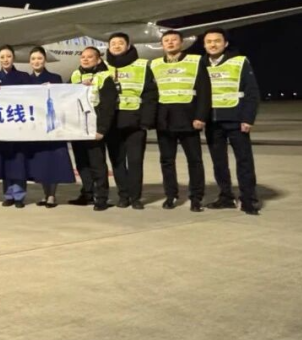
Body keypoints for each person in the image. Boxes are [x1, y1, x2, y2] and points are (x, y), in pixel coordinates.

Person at [201, 28, 261, 215]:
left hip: (236, 119)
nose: (213, 44)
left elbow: (252, 92)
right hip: (212, 121)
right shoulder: (201, 64)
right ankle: (226, 196)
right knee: (219, 163)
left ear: (225, 43)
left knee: (244, 161)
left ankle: (249, 199)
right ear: (204, 45)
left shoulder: (239, 61)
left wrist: (248, 118)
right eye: (209, 41)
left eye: (217, 41)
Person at [151, 30, 209, 212]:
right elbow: (152, 93)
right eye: (166, 40)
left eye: (174, 40)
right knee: (167, 161)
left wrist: (201, 116)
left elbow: (204, 91)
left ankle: (196, 197)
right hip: (164, 120)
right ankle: (171, 195)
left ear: (181, 43)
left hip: (188, 118)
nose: (170, 43)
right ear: (162, 45)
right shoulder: (155, 64)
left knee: (195, 160)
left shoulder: (195, 61)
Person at [104, 33, 157, 209]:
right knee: (117, 162)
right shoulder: (103, 67)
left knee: (135, 162)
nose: (116, 46)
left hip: (135, 123)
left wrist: (146, 122)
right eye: (113, 43)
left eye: (120, 43)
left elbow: (150, 95)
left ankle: (135, 197)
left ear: (128, 46)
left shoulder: (141, 66)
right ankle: (123, 196)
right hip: (112, 123)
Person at [23, 46, 73, 207]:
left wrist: (51, 89)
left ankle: (52, 195)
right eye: (33, 59)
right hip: (35, 126)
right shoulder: (26, 80)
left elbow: (63, 98)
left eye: (39, 58)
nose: (36, 61)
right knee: (41, 162)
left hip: (52, 125)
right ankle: (45, 194)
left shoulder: (55, 78)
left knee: (53, 160)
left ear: (45, 60)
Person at [72, 46, 118, 211]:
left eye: (89, 57)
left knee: (97, 164)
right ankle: (87, 193)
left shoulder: (104, 77)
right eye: (83, 57)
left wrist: (102, 129)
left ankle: (102, 197)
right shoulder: (75, 76)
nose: (85, 59)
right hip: (77, 129)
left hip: (94, 129)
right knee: (82, 163)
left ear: (98, 60)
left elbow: (108, 106)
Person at [0, 45, 31, 207]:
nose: (5, 60)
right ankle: (8, 195)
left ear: (13, 58)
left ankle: (19, 196)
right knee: (4, 163)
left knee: (18, 162)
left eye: (8, 56)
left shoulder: (23, 76)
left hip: (18, 125)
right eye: (2, 57)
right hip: (2, 127)